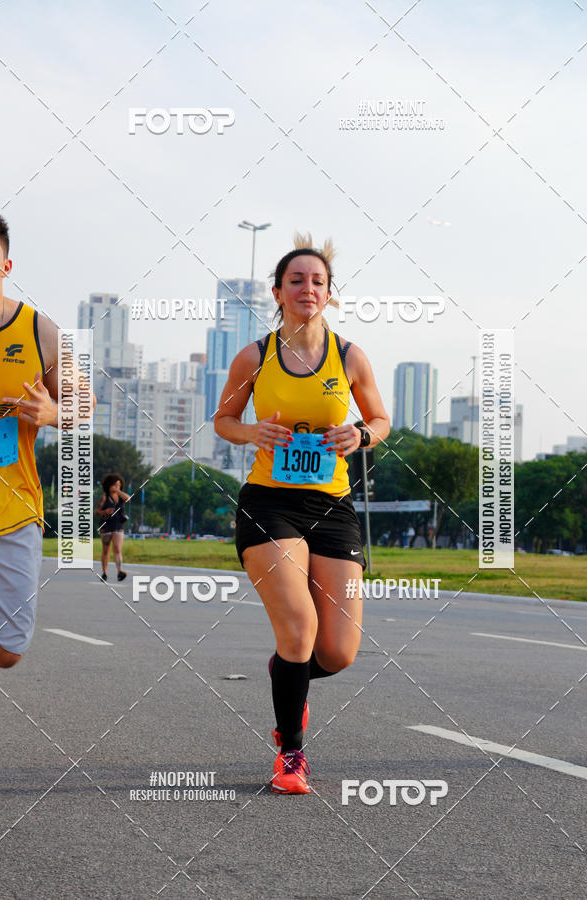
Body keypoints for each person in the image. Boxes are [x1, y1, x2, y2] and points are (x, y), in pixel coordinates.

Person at [214, 234, 390, 793]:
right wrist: (252, 431)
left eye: (318, 281)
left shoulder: (349, 356)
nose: (307, 288)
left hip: (333, 505)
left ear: (330, 294)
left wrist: (359, 434)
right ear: (278, 291)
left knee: (336, 651)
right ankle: (291, 755)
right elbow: (223, 421)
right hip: (270, 501)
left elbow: (381, 421)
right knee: (299, 626)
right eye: (297, 280)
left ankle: (285, 673)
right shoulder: (255, 355)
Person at [0, 210, 94, 694]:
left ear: (6, 266)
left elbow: (85, 403)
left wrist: (53, 414)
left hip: (14, 505)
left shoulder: (38, 330)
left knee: (8, 649)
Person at [95, 473, 129, 582]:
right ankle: (104, 573)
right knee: (106, 550)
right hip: (106, 526)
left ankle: (120, 571)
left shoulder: (120, 496)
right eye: (115, 485)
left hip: (118, 525)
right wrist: (105, 511)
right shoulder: (105, 497)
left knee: (117, 549)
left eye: (119, 485)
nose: (117, 487)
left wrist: (118, 491)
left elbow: (128, 498)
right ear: (109, 485)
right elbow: (96, 512)